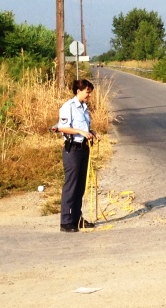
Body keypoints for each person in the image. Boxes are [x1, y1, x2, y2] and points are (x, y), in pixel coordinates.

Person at [57, 79, 101, 233]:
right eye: (87, 92)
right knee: (71, 185)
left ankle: (77, 217)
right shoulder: (68, 107)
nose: (89, 95)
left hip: (84, 148)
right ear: (78, 91)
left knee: (80, 186)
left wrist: (92, 133)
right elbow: (62, 127)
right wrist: (80, 132)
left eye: (90, 92)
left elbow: (84, 127)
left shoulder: (84, 108)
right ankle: (66, 221)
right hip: (73, 149)